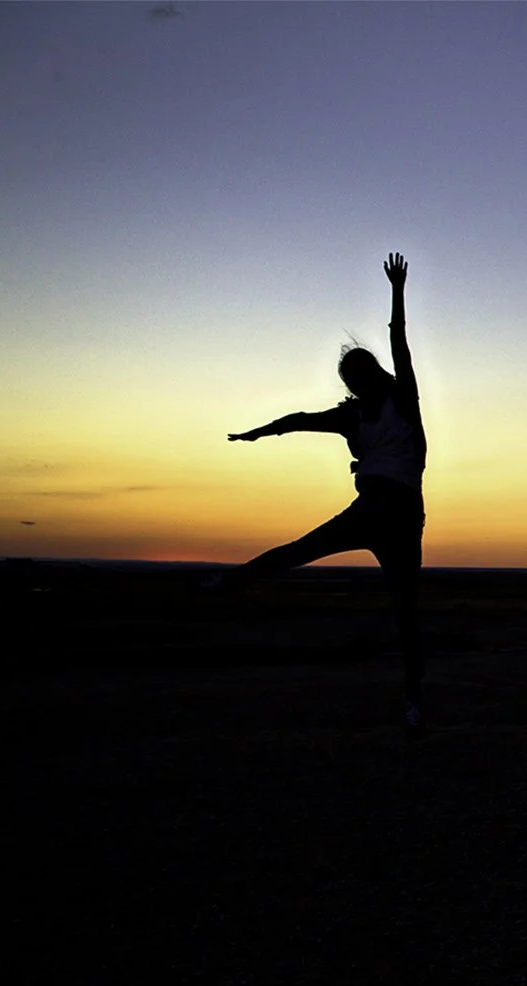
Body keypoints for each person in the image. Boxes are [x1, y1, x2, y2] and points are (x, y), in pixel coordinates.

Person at [212, 252, 428, 737]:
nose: (358, 384)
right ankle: (227, 583)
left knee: (406, 612)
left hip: (402, 516)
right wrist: (258, 433)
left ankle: (412, 701)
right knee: (299, 551)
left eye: (362, 375)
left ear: (375, 373)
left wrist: (396, 290)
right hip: (367, 509)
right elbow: (301, 420)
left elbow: (401, 344)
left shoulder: (403, 398)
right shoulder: (351, 417)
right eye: (351, 380)